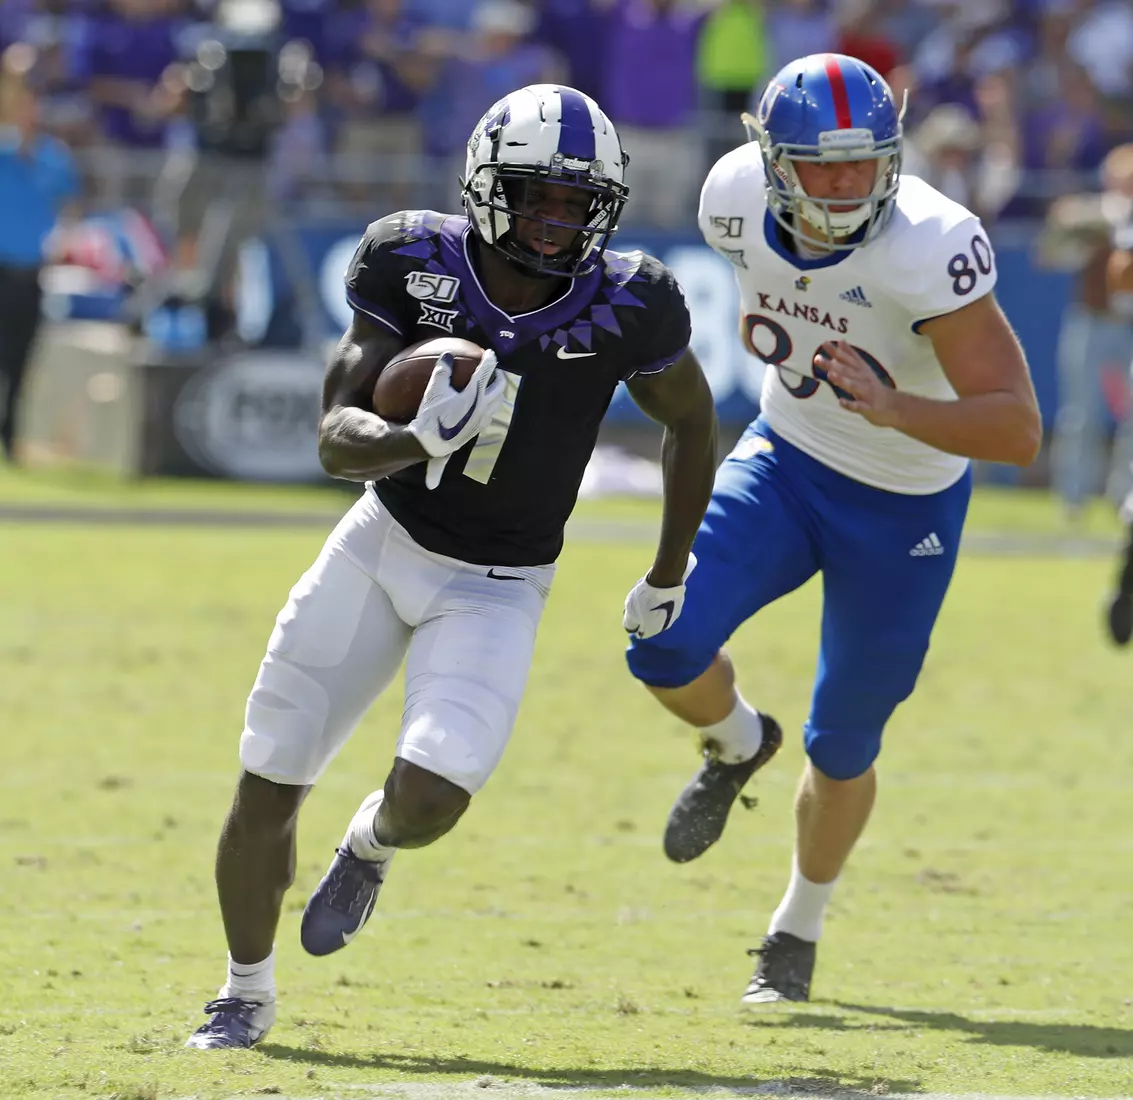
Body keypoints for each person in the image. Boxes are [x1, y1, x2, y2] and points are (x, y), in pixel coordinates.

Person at [186, 82, 718, 1050]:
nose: (555, 222)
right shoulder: (409, 256)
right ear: (482, 184)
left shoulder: (631, 299)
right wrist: (406, 437)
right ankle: (242, 991)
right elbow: (334, 435)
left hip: (498, 581)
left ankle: (370, 842)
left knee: (432, 794)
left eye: (574, 201)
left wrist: (668, 567)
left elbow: (689, 418)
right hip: (381, 543)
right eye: (534, 196)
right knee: (268, 770)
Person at [624, 54, 1041, 1005]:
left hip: (904, 504)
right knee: (661, 637)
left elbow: (1015, 427)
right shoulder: (727, 200)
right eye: (823, 166)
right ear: (770, 163)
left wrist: (899, 410)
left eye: (865, 163)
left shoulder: (927, 245)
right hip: (785, 460)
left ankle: (794, 927)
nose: (848, 184)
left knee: (844, 739)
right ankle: (736, 742)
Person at [0, 42, 79, 463]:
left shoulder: (52, 158)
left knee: (19, 362)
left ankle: (9, 439)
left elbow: (70, 207)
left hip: (29, 272)